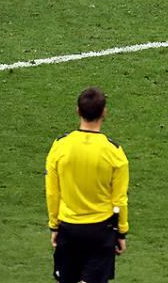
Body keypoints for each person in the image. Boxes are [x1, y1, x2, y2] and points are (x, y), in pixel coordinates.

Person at [46, 87, 130, 282]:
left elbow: (52, 192)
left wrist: (54, 226)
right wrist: (122, 231)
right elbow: (119, 199)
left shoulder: (60, 147)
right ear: (104, 113)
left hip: (69, 227)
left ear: (77, 111)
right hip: (100, 230)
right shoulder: (114, 153)